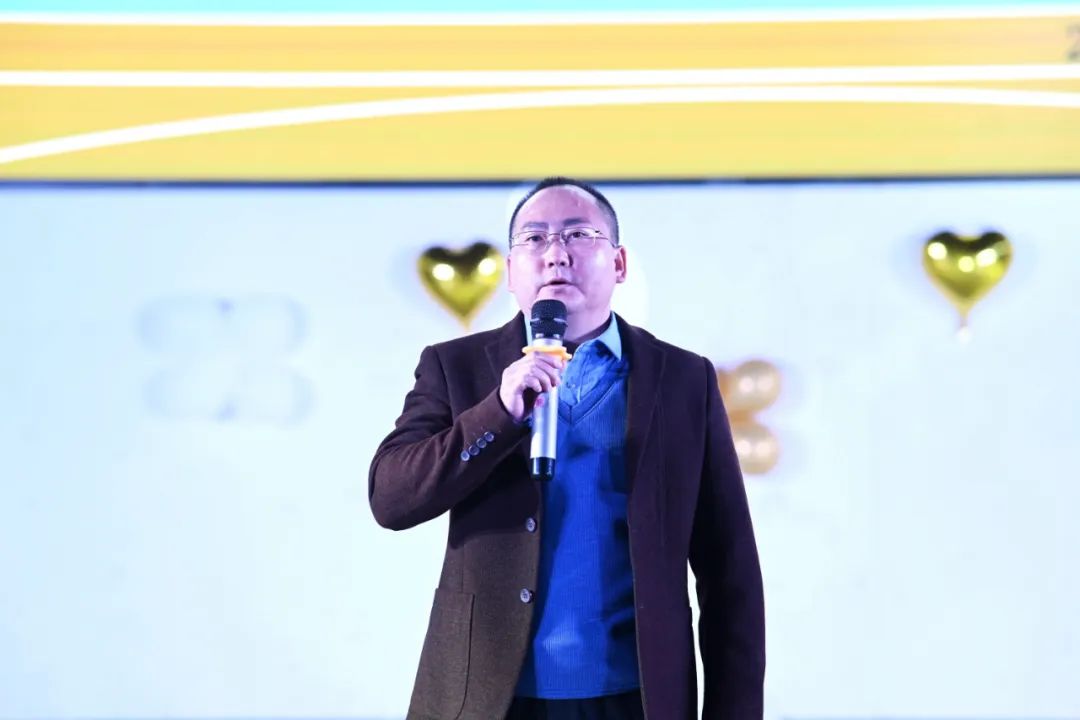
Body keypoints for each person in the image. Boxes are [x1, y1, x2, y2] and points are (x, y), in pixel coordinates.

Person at [369, 177, 765, 720]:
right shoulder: (454, 366)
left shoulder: (682, 379)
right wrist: (498, 412)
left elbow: (729, 569)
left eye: (578, 234)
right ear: (512, 272)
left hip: (636, 698)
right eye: (534, 239)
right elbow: (391, 499)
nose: (555, 253)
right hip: (487, 699)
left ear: (619, 263)